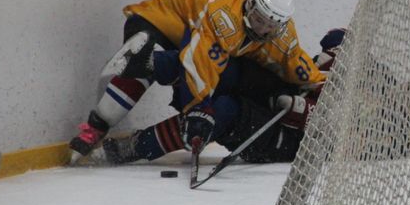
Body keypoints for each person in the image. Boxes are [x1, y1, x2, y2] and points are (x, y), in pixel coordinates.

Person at [68, 0, 325, 163]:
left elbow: (297, 65)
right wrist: (198, 109)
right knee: (153, 67)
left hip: (186, 39)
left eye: (271, 25)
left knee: (215, 95)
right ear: (250, 5)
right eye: (259, 20)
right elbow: (197, 62)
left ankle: (147, 67)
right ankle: (99, 122)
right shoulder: (223, 18)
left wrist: (319, 85)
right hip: (156, 23)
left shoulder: (279, 36)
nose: (263, 30)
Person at [86, 28, 346, 166]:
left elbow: (334, 133)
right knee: (215, 64)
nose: (326, 56)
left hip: (284, 141)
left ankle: (134, 147)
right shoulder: (326, 68)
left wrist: (300, 108)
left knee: (220, 112)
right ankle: (149, 62)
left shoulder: (359, 92)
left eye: (332, 53)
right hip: (273, 108)